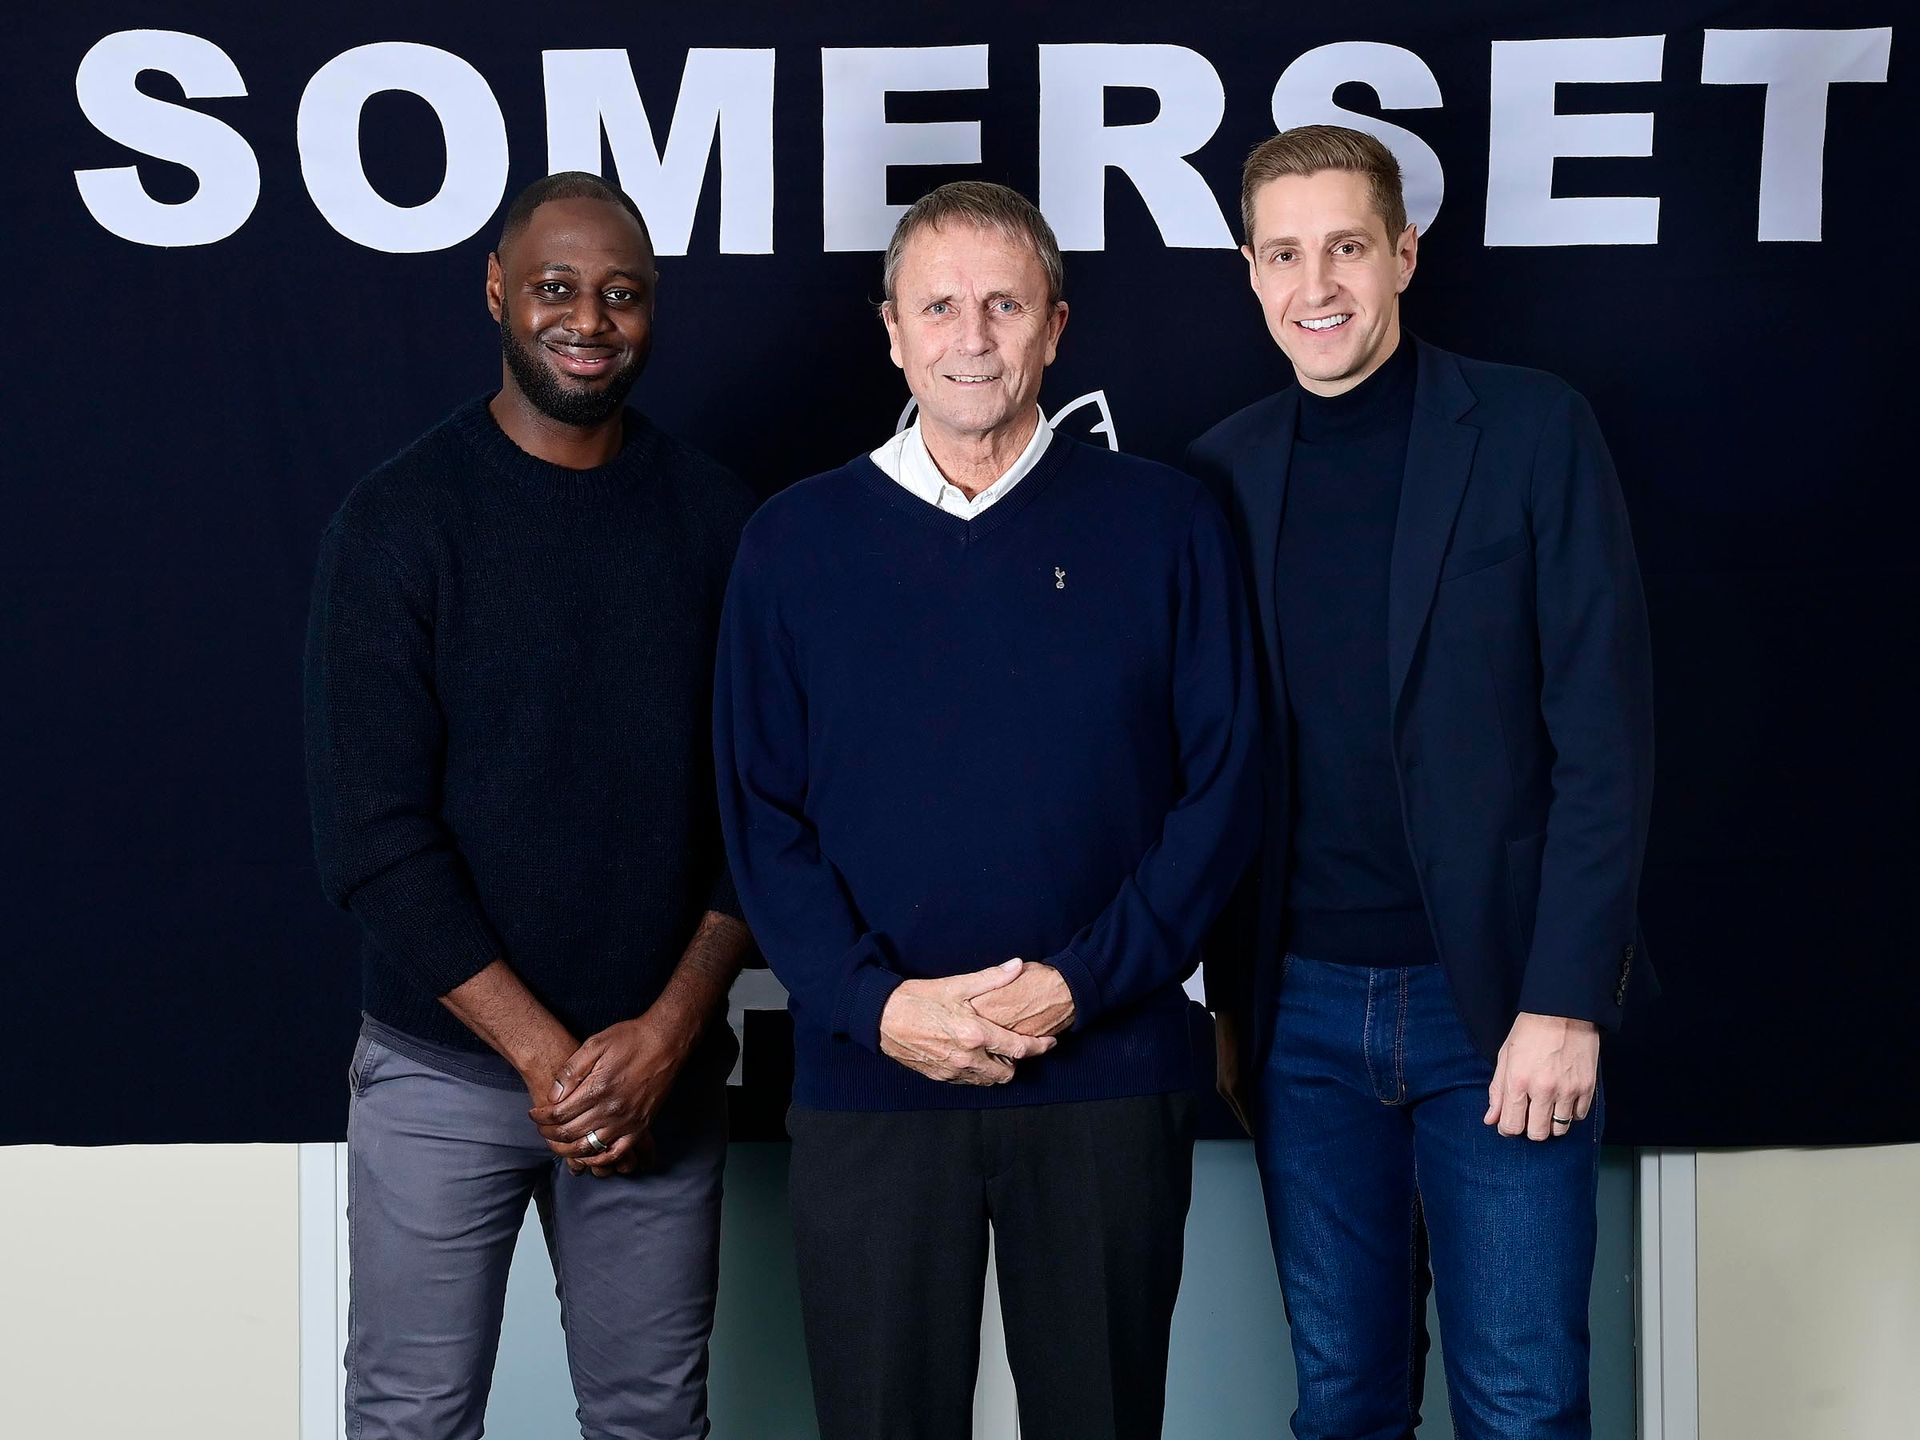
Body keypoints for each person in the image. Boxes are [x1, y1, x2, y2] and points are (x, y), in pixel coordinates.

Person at [715, 180, 1259, 1440]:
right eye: (939, 306)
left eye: (1005, 305)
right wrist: (876, 1006)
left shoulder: (1167, 522)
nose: (972, 336)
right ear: (892, 331)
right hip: (874, 1082)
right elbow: (760, 814)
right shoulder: (792, 545)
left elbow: (1226, 787)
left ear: (1055, 328)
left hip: (1106, 1075)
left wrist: (1080, 985)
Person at [1186, 125, 1656, 1440]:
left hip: (1497, 1004)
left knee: (1523, 1405)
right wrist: (1223, 999)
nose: (1316, 285)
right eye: (1284, 254)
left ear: (1403, 252)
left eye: (1346, 246)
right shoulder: (1219, 471)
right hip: (1298, 1019)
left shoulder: (1533, 429)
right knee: (1343, 1405)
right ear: (1250, 272)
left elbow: (1606, 742)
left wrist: (1566, 998)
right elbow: (1209, 761)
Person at [304, 171, 755, 1440]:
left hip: (658, 1075)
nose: (589, 320)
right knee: (410, 1417)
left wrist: (666, 1036)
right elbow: (371, 838)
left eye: (622, 294)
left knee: (652, 1419)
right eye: (557, 287)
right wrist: (549, 1061)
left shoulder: (721, 523)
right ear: (498, 290)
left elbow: (766, 813)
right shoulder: (399, 522)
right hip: (442, 1073)